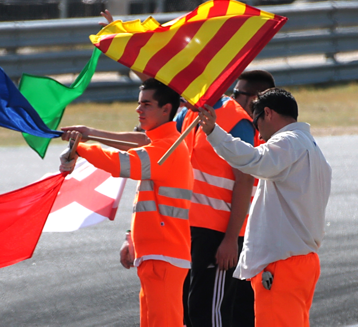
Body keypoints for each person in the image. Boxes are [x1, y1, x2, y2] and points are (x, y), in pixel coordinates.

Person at [60, 78, 193, 327]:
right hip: (156, 256)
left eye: (146, 104)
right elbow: (137, 142)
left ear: (167, 109)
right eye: (138, 104)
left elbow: (122, 162)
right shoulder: (162, 143)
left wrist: (82, 148)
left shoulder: (167, 149)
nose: (138, 110)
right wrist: (88, 135)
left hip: (164, 257)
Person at [197, 88, 332, 327]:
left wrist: (213, 132)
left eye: (256, 121)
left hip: (282, 264)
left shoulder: (288, 141)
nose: (257, 130)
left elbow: (253, 160)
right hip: (301, 261)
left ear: (267, 113)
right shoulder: (312, 148)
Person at [176, 70, 275, 327]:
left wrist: (231, 238)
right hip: (194, 230)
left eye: (239, 93)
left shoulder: (238, 122)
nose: (235, 97)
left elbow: (244, 181)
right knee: (197, 309)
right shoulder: (191, 114)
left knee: (213, 313)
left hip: (222, 234)